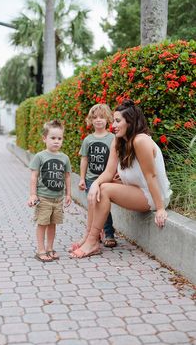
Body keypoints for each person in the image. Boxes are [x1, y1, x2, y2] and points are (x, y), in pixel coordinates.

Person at [69, 99, 172, 259]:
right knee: (97, 189)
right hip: (136, 191)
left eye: (118, 121)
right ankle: (89, 236)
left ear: (130, 122)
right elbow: (108, 173)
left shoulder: (140, 140)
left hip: (152, 195)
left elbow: (151, 176)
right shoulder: (118, 141)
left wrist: (160, 208)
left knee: (104, 189)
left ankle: (92, 241)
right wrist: (95, 183)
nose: (113, 125)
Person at [69, 103, 116, 252]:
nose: (98, 120)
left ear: (108, 119)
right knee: (92, 206)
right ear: (91, 120)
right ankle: (93, 234)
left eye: (102, 117)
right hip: (90, 179)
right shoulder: (88, 140)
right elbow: (84, 160)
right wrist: (82, 178)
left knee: (104, 207)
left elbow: (117, 159)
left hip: (106, 179)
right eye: (95, 117)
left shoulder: (112, 138)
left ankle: (109, 234)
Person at [28, 119, 72, 262]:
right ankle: (40, 250)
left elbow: (67, 177)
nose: (56, 141)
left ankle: (50, 248)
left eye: (59, 138)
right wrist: (33, 195)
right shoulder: (40, 156)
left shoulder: (64, 158)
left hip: (57, 199)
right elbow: (34, 176)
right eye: (53, 138)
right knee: (42, 224)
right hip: (44, 198)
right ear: (44, 138)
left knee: (53, 224)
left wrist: (68, 194)